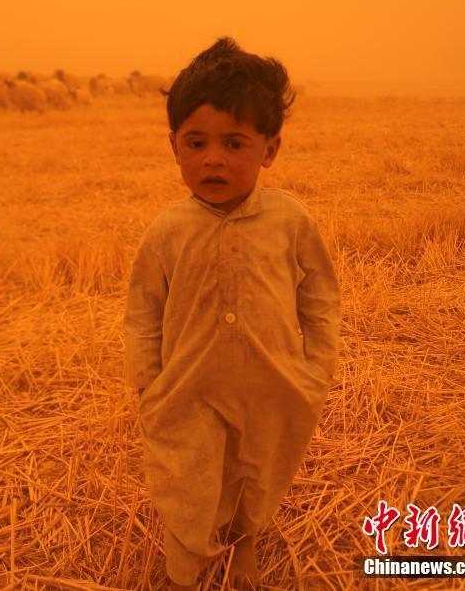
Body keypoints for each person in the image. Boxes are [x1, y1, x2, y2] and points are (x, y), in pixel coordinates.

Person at [123, 36, 341, 589]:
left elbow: (320, 300)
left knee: (256, 471)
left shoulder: (291, 222)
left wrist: (316, 369)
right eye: (196, 142)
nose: (213, 158)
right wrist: (148, 382)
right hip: (186, 386)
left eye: (234, 143)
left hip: (272, 382)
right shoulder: (167, 231)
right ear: (174, 145)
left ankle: (245, 543)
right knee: (187, 478)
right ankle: (184, 567)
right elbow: (143, 311)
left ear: (269, 150)